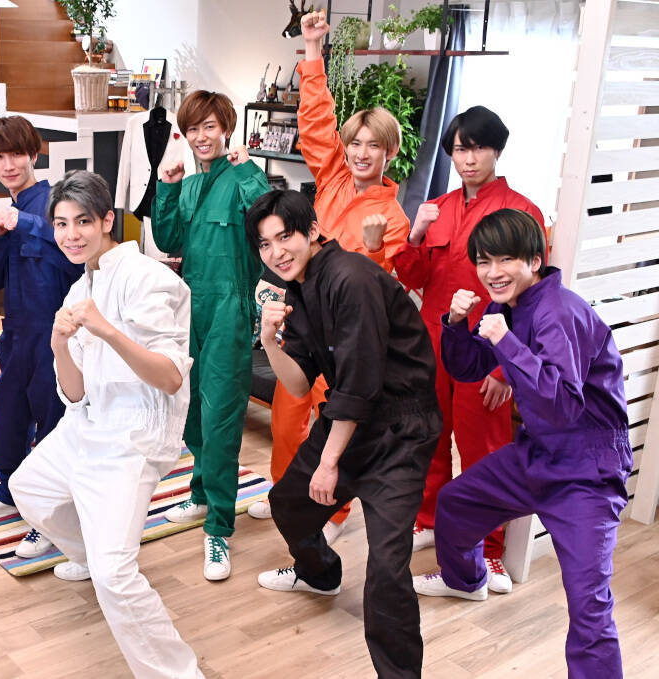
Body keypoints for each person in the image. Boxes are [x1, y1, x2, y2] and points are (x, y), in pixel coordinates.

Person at [414, 208, 631, 679]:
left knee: (589, 607)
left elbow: (563, 406)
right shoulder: (507, 305)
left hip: (588, 472)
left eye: (505, 260)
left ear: (534, 260)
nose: (493, 272)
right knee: (456, 504)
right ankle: (467, 580)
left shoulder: (560, 312)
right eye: (484, 261)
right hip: (538, 453)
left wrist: (507, 343)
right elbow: (469, 368)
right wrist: (455, 323)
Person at [9, 170, 203, 679]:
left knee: (116, 575)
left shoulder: (149, 278)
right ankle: (91, 556)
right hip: (87, 424)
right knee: (29, 487)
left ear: (107, 221)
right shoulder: (80, 287)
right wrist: (58, 346)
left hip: (134, 436)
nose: (71, 235)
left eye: (83, 222)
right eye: (61, 224)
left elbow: (169, 378)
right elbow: (74, 394)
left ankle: (179, 674)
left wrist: (108, 331)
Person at [250, 190, 440, 679]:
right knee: (289, 504)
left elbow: (359, 384)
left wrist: (329, 462)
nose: (276, 252)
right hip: (352, 420)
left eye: (285, 237)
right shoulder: (299, 290)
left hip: (400, 429)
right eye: (265, 244)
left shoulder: (350, 278)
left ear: (313, 231)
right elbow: (298, 383)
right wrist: (269, 340)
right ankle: (320, 574)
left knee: (387, 569)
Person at [250, 9, 412, 546]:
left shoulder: (394, 217)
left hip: (345, 340)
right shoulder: (334, 179)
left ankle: (335, 513)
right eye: (356, 143)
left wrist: (375, 249)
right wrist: (313, 49)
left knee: (333, 423)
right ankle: (282, 488)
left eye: (374, 146)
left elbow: (379, 292)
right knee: (286, 412)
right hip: (302, 321)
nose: (362, 154)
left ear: (390, 153)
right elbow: (317, 120)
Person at [395, 106, 546, 593]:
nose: (469, 159)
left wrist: (506, 370)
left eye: (478, 147)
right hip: (432, 342)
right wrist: (415, 233)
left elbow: (533, 300)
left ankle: (491, 549)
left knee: (484, 451)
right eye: (460, 149)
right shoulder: (437, 207)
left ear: (496, 150)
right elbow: (413, 276)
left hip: (487, 349)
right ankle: (430, 519)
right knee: (428, 436)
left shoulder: (522, 212)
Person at [152, 90, 270, 581]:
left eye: (210, 127)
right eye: (193, 129)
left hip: (229, 311)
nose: (201, 137)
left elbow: (267, 218)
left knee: (221, 417)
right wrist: (166, 187)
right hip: (189, 310)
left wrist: (249, 169)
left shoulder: (244, 177)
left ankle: (219, 526)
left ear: (226, 129)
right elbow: (167, 240)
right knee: (191, 412)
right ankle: (201, 494)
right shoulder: (191, 185)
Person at [0, 116, 82, 560]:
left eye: (16, 154)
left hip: (55, 335)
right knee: (7, 414)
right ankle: (10, 489)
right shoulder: (5, 212)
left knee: (53, 422)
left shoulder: (56, 203)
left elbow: (76, 257)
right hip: (14, 332)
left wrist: (26, 224)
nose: (8, 165)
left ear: (34, 154)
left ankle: (50, 517)